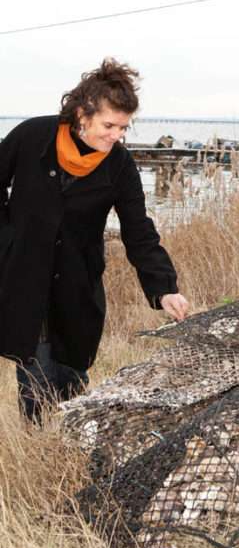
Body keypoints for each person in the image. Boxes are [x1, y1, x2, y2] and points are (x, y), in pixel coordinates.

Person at [0, 58, 189, 422]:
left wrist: (164, 287)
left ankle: (67, 441)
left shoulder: (118, 165)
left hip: (78, 282)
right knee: (36, 378)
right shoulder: (32, 137)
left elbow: (139, 231)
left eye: (123, 127)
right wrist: (8, 237)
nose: (116, 135)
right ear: (83, 113)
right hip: (27, 277)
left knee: (71, 376)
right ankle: (39, 445)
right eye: (109, 125)